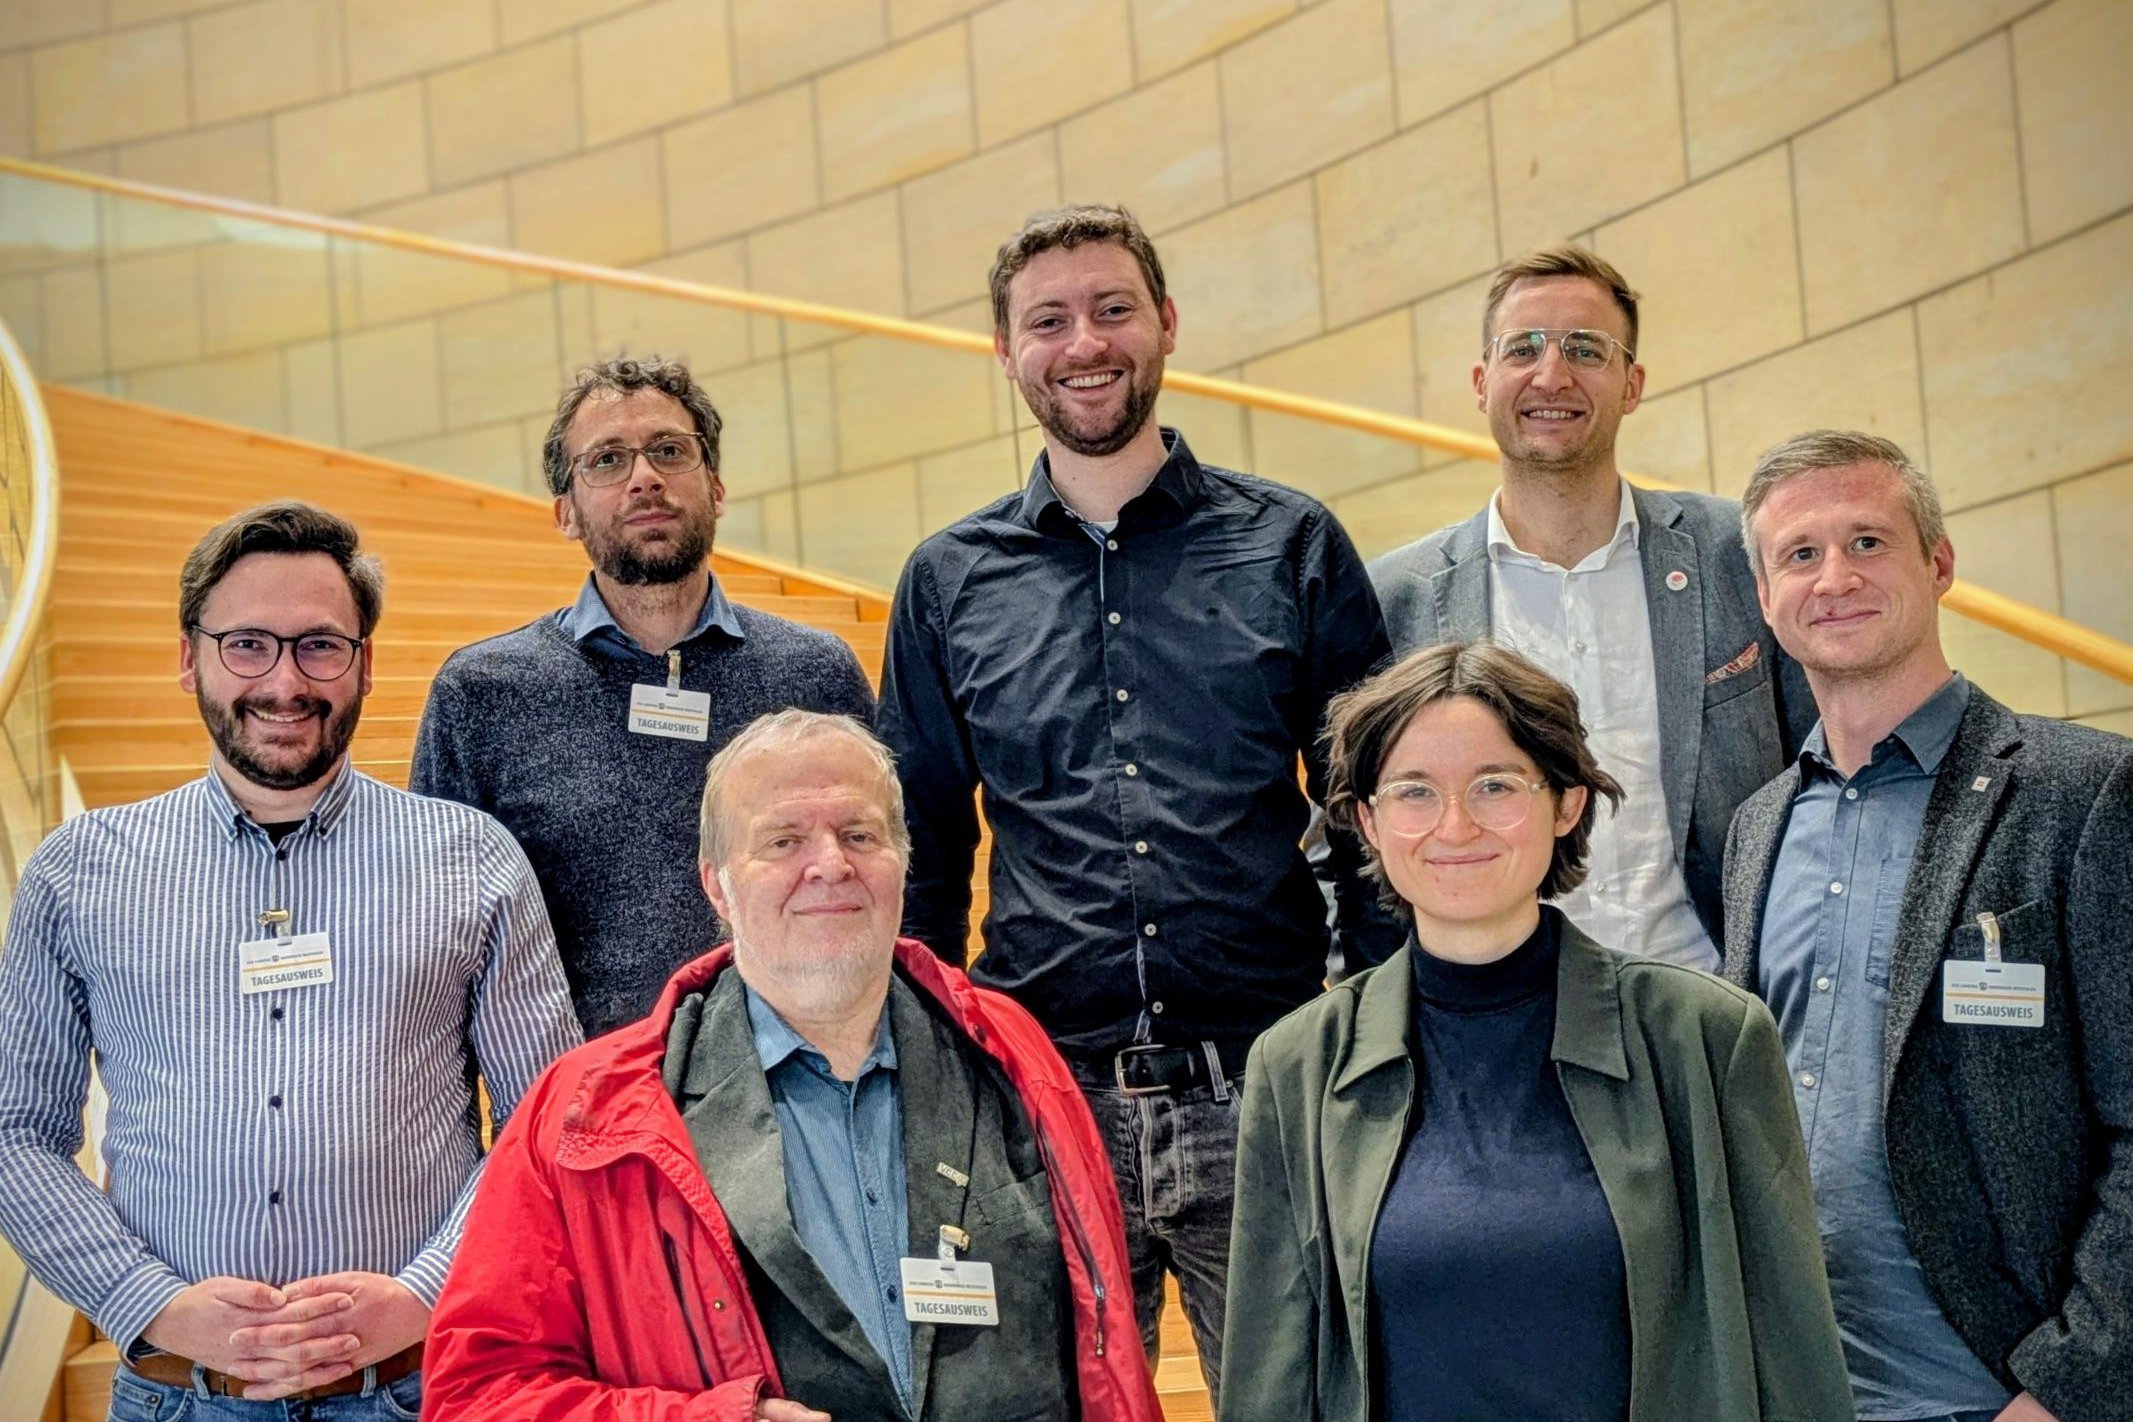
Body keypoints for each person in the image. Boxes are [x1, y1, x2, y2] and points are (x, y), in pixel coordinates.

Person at [873, 204, 1400, 1395]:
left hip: (1267, 1091)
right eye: (1047, 320)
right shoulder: (948, 583)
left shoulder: (1291, 545)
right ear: (1003, 352)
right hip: (1048, 1104)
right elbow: (924, 849)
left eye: (1113, 309)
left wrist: (1368, 1026)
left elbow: (1375, 809)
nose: (1084, 342)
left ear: (1164, 323)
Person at [0, 502, 581, 1418]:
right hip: (177, 1397)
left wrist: (424, 1293)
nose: (283, 680)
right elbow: (14, 1131)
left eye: (319, 645)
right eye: (247, 644)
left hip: (413, 1391)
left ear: (364, 665)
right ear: (188, 656)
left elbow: (544, 1121)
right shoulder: (80, 872)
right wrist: (147, 1301)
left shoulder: (471, 858)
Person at [422, 710, 1160, 1422]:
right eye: (782, 841)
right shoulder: (584, 1111)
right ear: (717, 883)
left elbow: (1108, 1356)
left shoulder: (1010, 1052)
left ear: (904, 862)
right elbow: (479, 1393)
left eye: (860, 833)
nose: (831, 864)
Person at [1223, 640, 1851, 1422]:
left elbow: (1793, 1355)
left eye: (1493, 785)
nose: (1454, 826)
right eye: (1414, 792)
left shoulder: (1703, 1038)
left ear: (1565, 804)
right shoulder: (1297, 1066)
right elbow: (1268, 1376)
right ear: (1366, 822)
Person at [1723, 431, 2133, 1422]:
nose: (1836, 577)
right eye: (1801, 555)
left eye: (1868, 541)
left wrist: (2067, 1389)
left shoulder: (2085, 795)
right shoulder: (1756, 829)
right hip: (1795, 1389)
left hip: (1993, 1395)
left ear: (1939, 564)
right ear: (1767, 598)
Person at [1370, 247, 1814, 969]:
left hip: (1717, 1002)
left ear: (1630, 384)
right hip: (1499, 1015)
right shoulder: (1400, 599)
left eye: (1585, 349)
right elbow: (1357, 828)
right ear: (1481, 383)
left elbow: (1822, 766)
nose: (1551, 375)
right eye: (1523, 349)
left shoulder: (1732, 555)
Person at [411, 355, 875, 1038]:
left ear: (715, 486)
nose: (645, 478)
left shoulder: (815, 673)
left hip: (797, 1088)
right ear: (565, 512)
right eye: (606, 460)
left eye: (668, 451)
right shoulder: (483, 692)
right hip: (581, 1108)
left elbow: (886, 881)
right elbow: (441, 937)